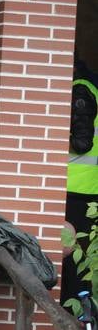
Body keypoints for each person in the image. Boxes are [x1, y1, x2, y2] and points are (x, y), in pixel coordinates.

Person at [66, 59, 98, 305]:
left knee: (72, 261)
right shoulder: (88, 88)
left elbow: (82, 142)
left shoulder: (80, 91)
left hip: (77, 190)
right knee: (79, 261)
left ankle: (78, 317)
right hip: (84, 190)